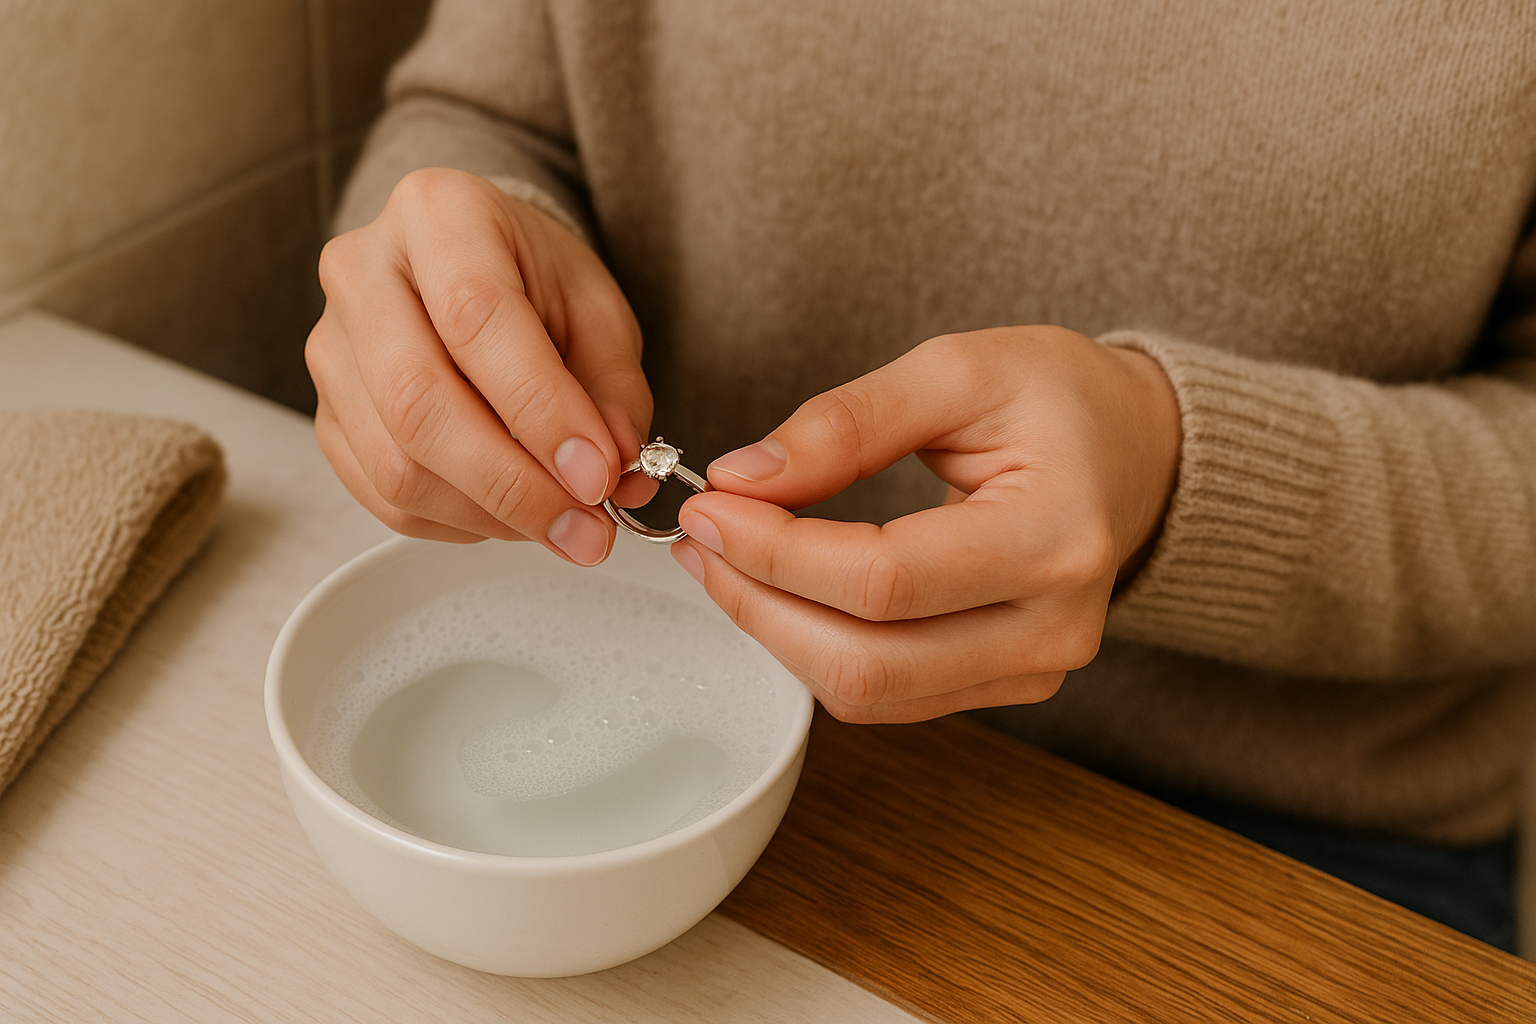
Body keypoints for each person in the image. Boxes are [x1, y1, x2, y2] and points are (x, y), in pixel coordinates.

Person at [306, 0, 1536, 951]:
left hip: (1288, 836)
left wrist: (1176, 475)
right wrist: (452, 292)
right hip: (657, 691)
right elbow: (482, 114)